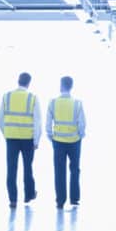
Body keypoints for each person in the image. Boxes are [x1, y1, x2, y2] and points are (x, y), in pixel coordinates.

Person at [0, 72, 42, 208]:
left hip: (11, 139)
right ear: (29, 83)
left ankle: (13, 199)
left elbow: (0, 120)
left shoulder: (7, 96)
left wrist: (7, 134)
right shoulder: (32, 98)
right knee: (27, 168)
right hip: (27, 139)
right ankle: (28, 195)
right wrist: (36, 141)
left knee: (11, 169)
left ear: (18, 81)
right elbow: (37, 122)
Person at [46, 76, 86, 209]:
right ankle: (74, 199)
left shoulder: (53, 103)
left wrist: (51, 136)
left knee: (59, 171)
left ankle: (60, 201)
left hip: (58, 141)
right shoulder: (77, 103)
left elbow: (48, 123)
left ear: (61, 86)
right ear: (71, 87)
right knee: (75, 169)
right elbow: (82, 124)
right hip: (74, 141)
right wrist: (80, 135)